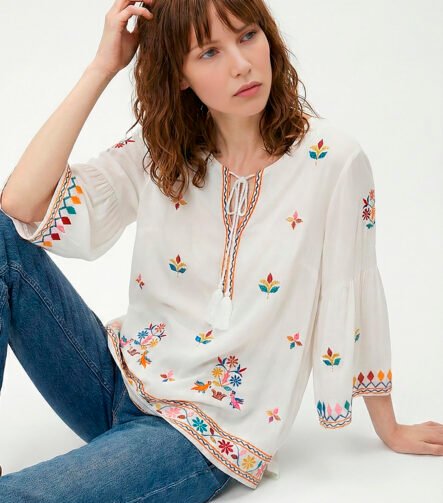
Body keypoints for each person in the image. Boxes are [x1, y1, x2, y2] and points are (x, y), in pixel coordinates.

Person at [0, 0, 442, 501]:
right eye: (210, 52)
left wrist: (390, 427)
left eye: (248, 36)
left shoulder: (332, 162)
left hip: (201, 437)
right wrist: (103, 67)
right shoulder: (160, 151)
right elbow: (19, 203)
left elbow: (352, 285)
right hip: (116, 379)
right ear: (180, 76)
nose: (242, 64)